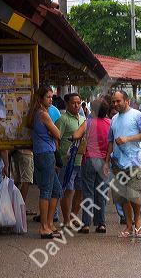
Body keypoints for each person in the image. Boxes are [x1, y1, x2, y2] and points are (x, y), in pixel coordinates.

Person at [103, 90, 141, 237]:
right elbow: (110, 142)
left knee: (133, 193)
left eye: (118, 101)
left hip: (134, 161)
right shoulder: (114, 119)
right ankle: (129, 226)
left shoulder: (138, 115)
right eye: (114, 102)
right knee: (122, 197)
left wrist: (128, 139)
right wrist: (106, 162)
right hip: (117, 163)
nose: (115, 104)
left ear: (127, 101)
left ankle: (138, 221)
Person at [26, 86, 62, 239]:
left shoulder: (35, 114)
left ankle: (49, 223)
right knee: (46, 191)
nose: (51, 99)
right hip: (46, 153)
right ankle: (44, 227)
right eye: (48, 97)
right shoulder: (44, 115)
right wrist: (51, 130)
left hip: (41, 153)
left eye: (51, 96)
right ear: (41, 98)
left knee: (56, 190)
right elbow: (58, 134)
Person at [72, 98, 111, 234]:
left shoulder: (88, 122)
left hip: (89, 160)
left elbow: (76, 135)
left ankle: (86, 224)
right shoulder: (110, 123)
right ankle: (101, 224)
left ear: (93, 110)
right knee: (101, 192)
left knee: (87, 191)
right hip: (104, 161)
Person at [55, 93, 85, 228]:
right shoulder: (63, 119)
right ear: (67, 104)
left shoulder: (84, 119)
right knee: (68, 190)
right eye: (73, 103)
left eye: (79, 103)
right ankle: (66, 219)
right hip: (67, 161)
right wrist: (58, 159)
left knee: (80, 190)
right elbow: (56, 139)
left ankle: (73, 217)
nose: (76, 105)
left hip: (82, 160)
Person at [11, 149, 35, 215]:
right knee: (26, 181)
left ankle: (12, 206)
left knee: (16, 181)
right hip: (26, 153)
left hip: (15, 152)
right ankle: (20, 208)